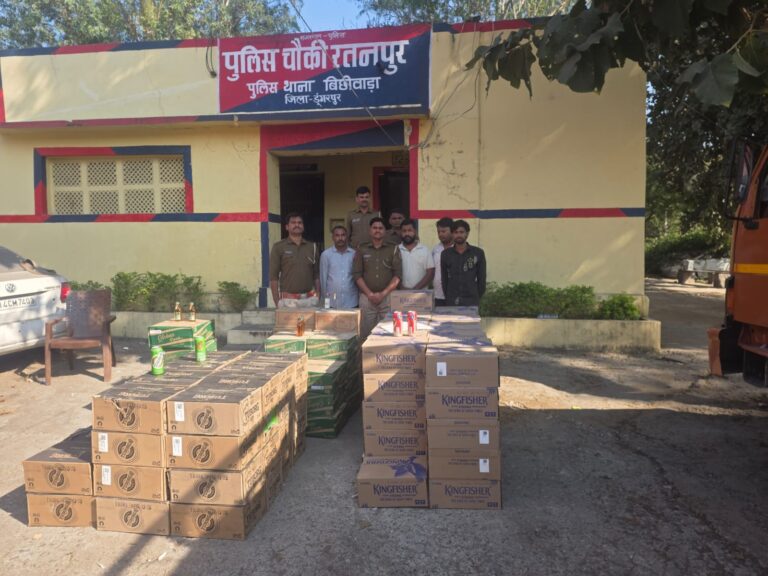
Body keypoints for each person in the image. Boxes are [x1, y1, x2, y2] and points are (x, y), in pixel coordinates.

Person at [353, 217, 402, 337]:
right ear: (370, 230)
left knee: (389, 333)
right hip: (366, 298)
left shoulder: (393, 248)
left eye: (380, 228)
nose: (377, 230)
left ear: (385, 231)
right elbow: (357, 274)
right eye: (374, 228)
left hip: (388, 298)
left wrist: (383, 294)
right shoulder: (361, 248)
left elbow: (397, 275)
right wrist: (370, 294)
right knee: (366, 334)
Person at [269, 212, 320, 308]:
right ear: (287, 227)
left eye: (300, 223)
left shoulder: (312, 247)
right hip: (288, 302)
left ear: (303, 226)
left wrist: (318, 295)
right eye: (293, 222)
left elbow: (316, 274)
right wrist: (277, 302)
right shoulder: (278, 247)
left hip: (309, 300)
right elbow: (273, 277)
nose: (297, 225)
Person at [441, 219, 486, 307]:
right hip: (452, 300)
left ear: (467, 233)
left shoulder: (477, 253)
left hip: (471, 300)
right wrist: (449, 296)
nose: (459, 235)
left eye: (461, 232)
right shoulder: (446, 254)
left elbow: (482, 279)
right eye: (456, 232)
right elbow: (444, 279)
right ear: (452, 234)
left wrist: (476, 296)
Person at [319, 225, 358, 308]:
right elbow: (323, 278)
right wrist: (325, 301)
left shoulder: (354, 254)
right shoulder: (326, 255)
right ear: (333, 237)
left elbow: (357, 275)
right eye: (337, 235)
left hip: (351, 301)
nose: (340, 238)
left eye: (343, 235)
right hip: (332, 302)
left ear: (347, 237)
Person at [398, 219, 434, 290]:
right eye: (404, 231)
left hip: (421, 294)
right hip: (400, 293)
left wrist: (415, 289)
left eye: (410, 230)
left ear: (415, 231)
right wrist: (402, 288)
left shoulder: (424, 250)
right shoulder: (396, 250)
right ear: (401, 233)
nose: (407, 233)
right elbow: (392, 273)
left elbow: (430, 272)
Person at [432, 217, 453, 306]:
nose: (440, 234)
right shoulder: (436, 249)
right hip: (438, 295)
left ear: (452, 231)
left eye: (443, 231)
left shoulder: (458, 249)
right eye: (438, 232)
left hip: (455, 296)